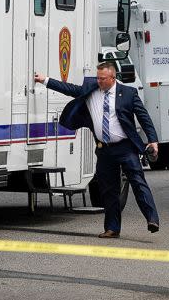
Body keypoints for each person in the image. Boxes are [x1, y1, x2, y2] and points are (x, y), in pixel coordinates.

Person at [34, 62, 160, 238]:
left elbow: (143, 117)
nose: (99, 81)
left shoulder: (129, 93)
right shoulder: (91, 90)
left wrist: (153, 140)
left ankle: (152, 218)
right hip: (104, 148)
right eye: (98, 77)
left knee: (138, 182)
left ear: (113, 78)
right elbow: (69, 88)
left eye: (103, 78)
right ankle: (112, 228)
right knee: (109, 190)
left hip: (125, 147)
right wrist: (45, 80)